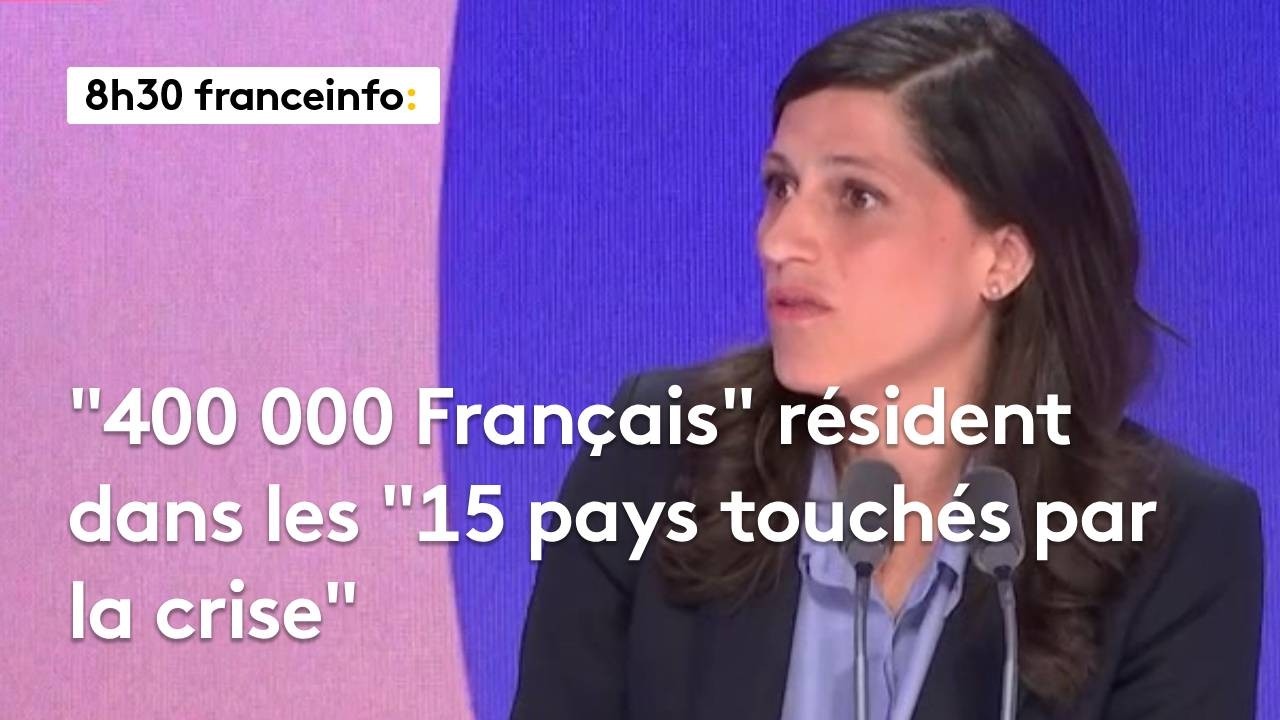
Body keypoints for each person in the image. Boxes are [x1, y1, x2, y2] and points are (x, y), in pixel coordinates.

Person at [509, 6, 1264, 719]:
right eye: (780, 186)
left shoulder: (1174, 541)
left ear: (1002, 258)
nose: (779, 240)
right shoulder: (657, 453)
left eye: (857, 197)